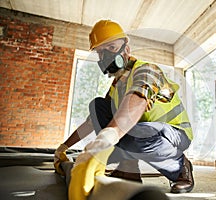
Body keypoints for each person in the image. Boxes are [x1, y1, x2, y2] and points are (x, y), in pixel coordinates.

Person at [54, 19, 194, 200]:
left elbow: (138, 100)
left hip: (175, 134)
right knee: (98, 107)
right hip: (143, 131)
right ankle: (129, 170)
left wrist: (107, 137)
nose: (106, 56)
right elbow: (92, 121)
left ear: (126, 48)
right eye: (101, 52)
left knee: (131, 131)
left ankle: (180, 166)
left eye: (111, 48)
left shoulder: (147, 70)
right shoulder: (117, 85)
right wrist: (64, 147)